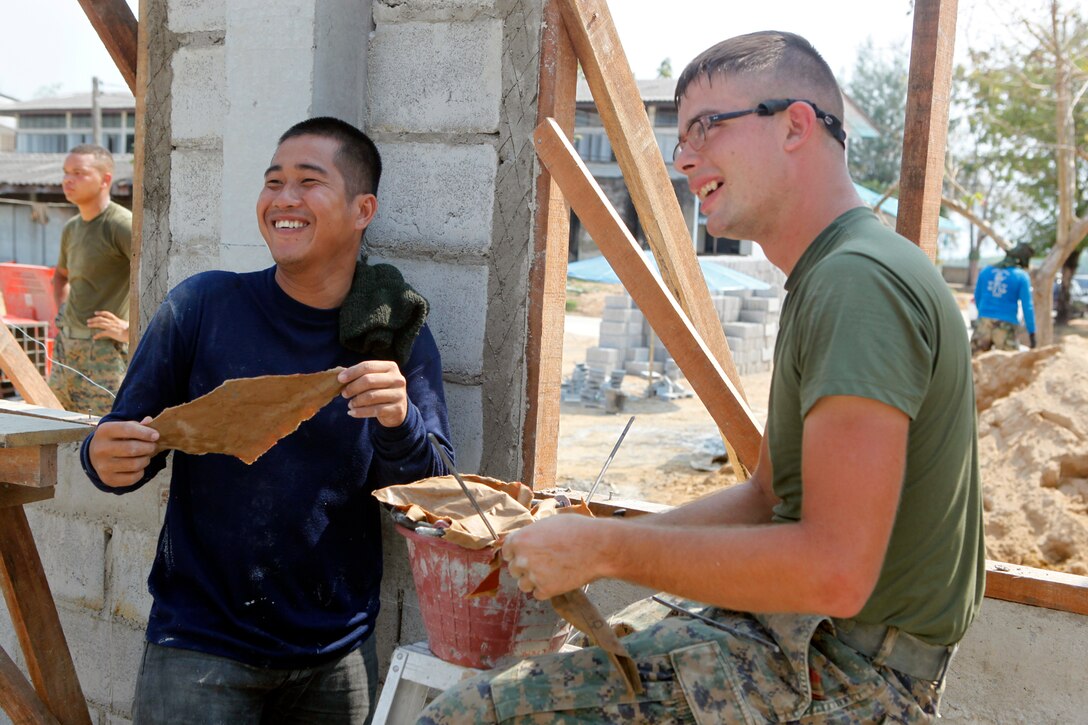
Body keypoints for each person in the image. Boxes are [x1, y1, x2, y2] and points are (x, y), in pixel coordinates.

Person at [422, 31, 982, 724]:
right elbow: (766, 497)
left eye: (706, 128)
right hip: (813, 646)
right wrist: (589, 545)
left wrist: (604, 547)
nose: (684, 157)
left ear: (795, 125)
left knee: (465, 716)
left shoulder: (857, 282)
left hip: (848, 675)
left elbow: (836, 568)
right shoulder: (835, 273)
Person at [82, 117, 454, 724]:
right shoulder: (202, 306)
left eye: (309, 182)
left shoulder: (393, 334)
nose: (283, 197)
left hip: (338, 659)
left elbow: (436, 494)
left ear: (363, 209)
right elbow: (121, 442)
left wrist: (399, 419)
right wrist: (101, 457)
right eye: (273, 181)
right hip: (200, 652)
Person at [50, 143, 133, 415]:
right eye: (65, 172)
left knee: (104, 434)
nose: (68, 180)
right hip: (67, 350)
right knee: (58, 430)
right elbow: (61, 277)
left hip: (105, 354)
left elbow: (158, 274)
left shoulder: (121, 224)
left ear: (105, 179)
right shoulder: (72, 228)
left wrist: (131, 329)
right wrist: (62, 315)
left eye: (78, 173)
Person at [971, 242, 1037, 353]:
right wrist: (1032, 333)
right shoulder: (1021, 276)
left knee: (975, 363)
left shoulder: (985, 271)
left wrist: (985, 315)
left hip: (983, 324)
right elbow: (1027, 307)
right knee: (1008, 365)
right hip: (1006, 327)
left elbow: (977, 298)